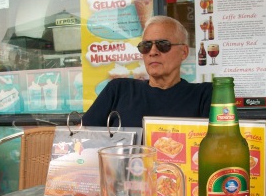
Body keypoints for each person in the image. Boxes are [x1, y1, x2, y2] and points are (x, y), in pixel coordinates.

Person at [82, 15, 212, 128]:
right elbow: (83, 136)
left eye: (163, 45)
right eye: (146, 46)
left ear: (184, 52)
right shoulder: (119, 90)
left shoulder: (204, 95)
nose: (153, 52)